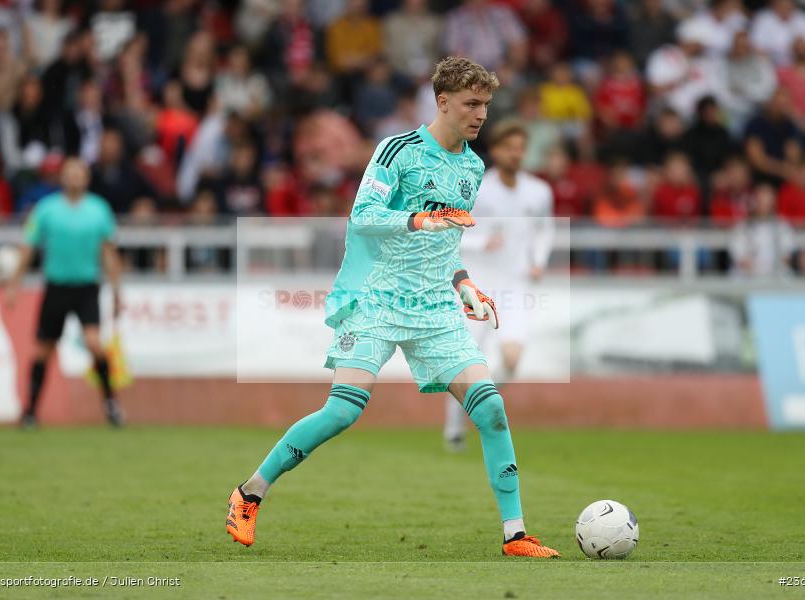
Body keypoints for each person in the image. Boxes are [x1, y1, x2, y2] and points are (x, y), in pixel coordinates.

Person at [225, 57, 561, 559]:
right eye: (471, 104)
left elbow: (449, 242)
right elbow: (364, 216)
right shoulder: (397, 150)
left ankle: (515, 534)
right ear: (442, 102)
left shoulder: (472, 167)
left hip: (433, 308)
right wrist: (420, 220)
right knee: (341, 411)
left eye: (486, 105)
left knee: (491, 407)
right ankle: (250, 492)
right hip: (377, 298)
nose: (481, 115)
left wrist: (464, 283)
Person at [443, 119, 552, 452]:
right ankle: (454, 425)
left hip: (515, 285)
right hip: (477, 286)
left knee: (512, 360)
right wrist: (480, 243)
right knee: (467, 362)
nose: (516, 154)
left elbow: (545, 230)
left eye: (521, 148)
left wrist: (539, 260)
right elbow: (452, 228)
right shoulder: (477, 188)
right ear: (496, 150)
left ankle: (479, 404)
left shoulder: (539, 191)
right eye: (510, 147)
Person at [5, 157, 124, 428]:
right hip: (57, 286)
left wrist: (117, 291)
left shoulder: (99, 210)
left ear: (86, 178)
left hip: (86, 287)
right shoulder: (46, 210)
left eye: (79, 173)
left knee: (94, 343)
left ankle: (111, 405)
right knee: (44, 350)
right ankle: (31, 411)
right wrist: (14, 282)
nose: (74, 178)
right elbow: (28, 248)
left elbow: (109, 253)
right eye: (69, 173)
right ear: (62, 178)